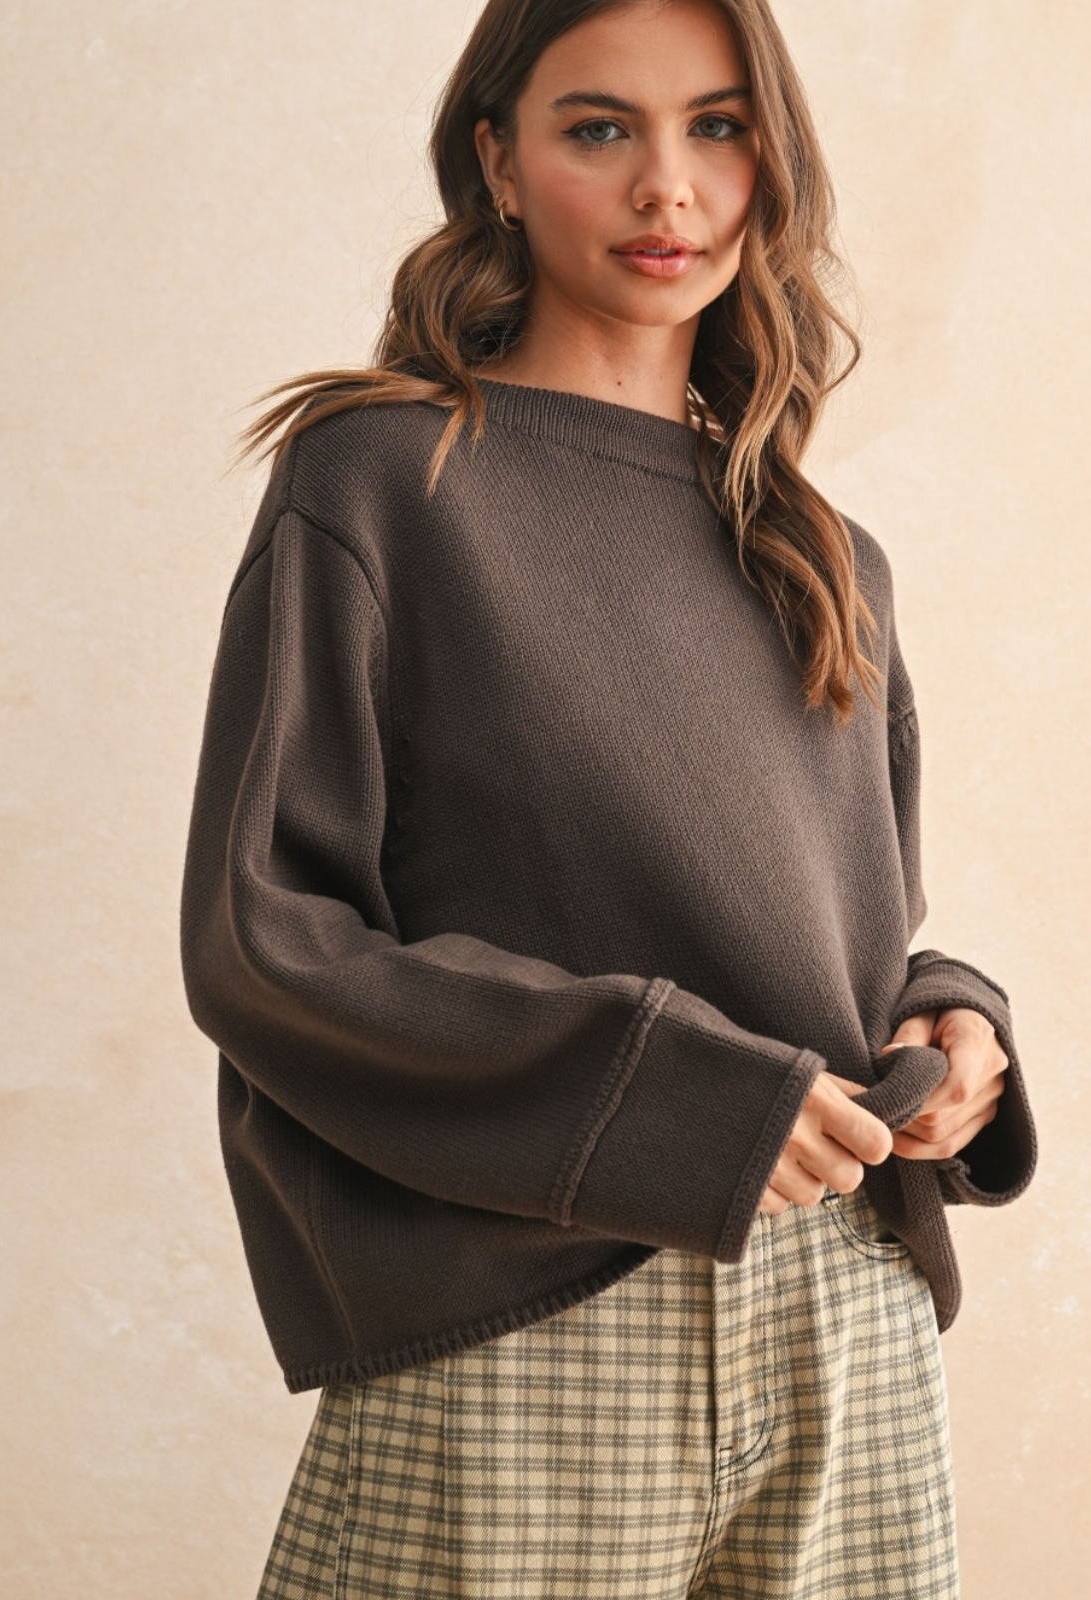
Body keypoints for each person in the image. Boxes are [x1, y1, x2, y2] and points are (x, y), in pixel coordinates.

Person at [179, 1, 1038, 1594]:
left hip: (850, 1311)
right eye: (599, 128)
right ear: (498, 163)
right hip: (540, 1317)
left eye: (718, 126)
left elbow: (841, 933)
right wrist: (677, 1104)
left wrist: (955, 1021)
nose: (668, 187)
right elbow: (266, 943)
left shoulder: (829, 556)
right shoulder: (383, 483)